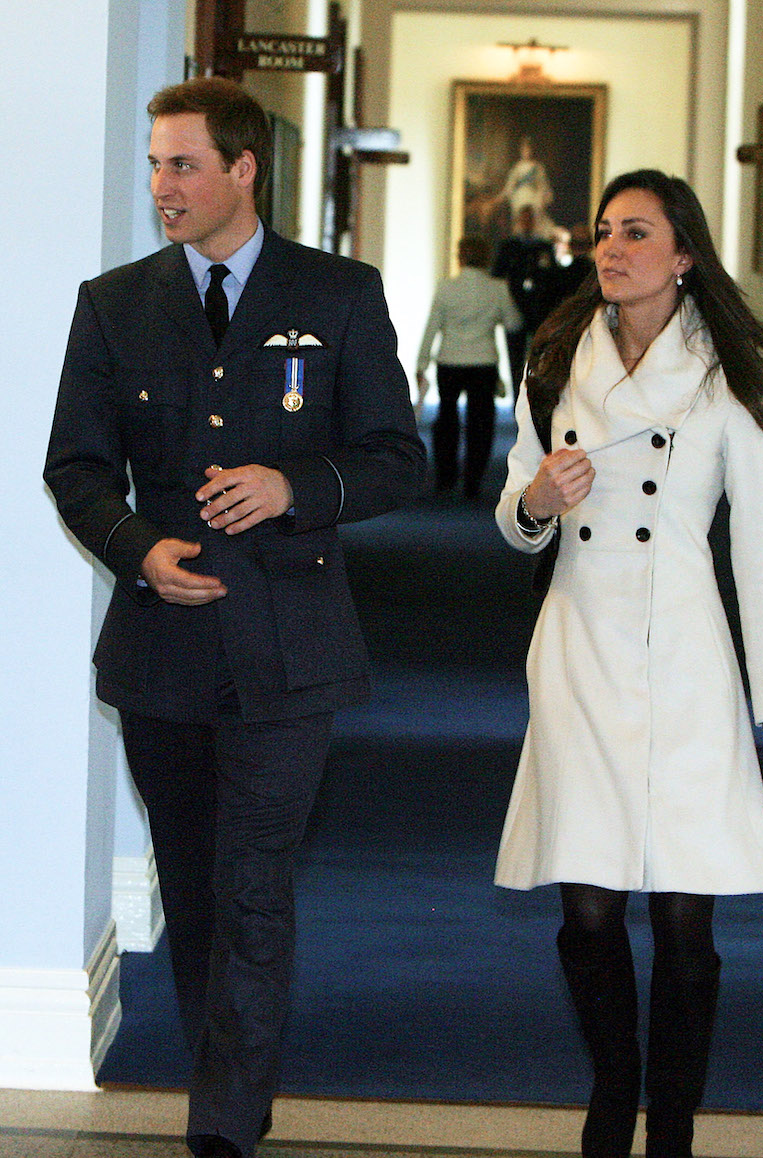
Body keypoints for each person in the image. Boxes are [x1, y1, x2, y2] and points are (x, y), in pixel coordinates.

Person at [44, 77, 425, 1158]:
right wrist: (138, 551)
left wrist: (294, 486)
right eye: (156, 164)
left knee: (255, 889)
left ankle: (218, 1133)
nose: (162, 186)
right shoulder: (113, 302)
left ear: (243, 168)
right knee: (199, 895)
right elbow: (74, 470)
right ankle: (238, 1085)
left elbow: (397, 460)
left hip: (289, 650)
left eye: (182, 165)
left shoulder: (338, 293)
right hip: (161, 650)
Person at [494, 169, 763, 1158]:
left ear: (682, 256)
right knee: (586, 912)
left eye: (636, 231)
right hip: (579, 653)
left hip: (685, 659)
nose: (611, 247)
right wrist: (537, 502)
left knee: (685, 930)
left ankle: (669, 1125)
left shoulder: (732, 377)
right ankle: (611, 1092)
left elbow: (760, 554)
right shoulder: (553, 362)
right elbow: (515, 517)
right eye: (602, 230)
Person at [416, 237, 521, 496]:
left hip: (449, 360)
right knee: (481, 422)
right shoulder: (497, 288)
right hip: (483, 362)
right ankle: (473, 479)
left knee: (447, 418)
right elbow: (514, 324)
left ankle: (445, 476)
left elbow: (432, 327)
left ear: (459, 257)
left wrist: (421, 362)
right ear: (486, 258)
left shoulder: (445, 288)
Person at [492, 205, 561, 398]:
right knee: (515, 360)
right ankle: (517, 400)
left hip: (539, 311)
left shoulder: (544, 247)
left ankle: (536, 400)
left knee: (540, 359)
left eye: (530, 219)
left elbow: (553, 277)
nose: (527, 223)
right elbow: (497, 276)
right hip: (513, 308)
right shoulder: (508, 246)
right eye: (524, 219)